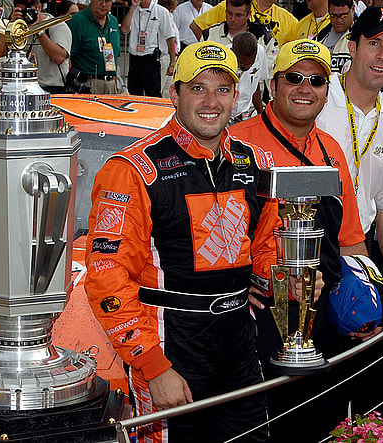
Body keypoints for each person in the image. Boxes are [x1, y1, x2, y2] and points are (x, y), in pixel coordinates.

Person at [85, 41, 281, 443]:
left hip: (240, 340)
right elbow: (107, 275)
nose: (211, 101)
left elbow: (265, 244)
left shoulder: (257, 161)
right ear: (174, 94)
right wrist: (153, 365)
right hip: (170, 343)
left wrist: (279, 278)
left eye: (222, 89)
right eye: (198, 88)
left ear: (236, 95)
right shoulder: (134, 169)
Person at [230, 38, 366, 441]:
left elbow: (351, 240)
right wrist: (246, 284)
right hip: (256, 317)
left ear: (328, 91)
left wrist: (363, 298)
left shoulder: (333, 151)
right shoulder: (236, 145)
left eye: (317, 80)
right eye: (294, 77)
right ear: (274, 85)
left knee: (320, 421)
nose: (305, 87)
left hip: (322, 317)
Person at [315, 6, 383, 415]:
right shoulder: (317, 99)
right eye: (373, 43)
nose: (382, 56)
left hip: (361, 256)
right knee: (313, 384)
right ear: (351, 47)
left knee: (363, 377)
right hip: (310, 256)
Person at [203, 0, 270, 119]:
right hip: (222, 114)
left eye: (238, 15)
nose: (247, 68)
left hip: (246, 115)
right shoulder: (222, 55)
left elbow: (255, 86)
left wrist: (261, 115)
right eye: (243, 64)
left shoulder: (260, 48)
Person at [0, 0, 73, 93]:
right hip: (23, 89)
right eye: (22, 12)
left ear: (39, 8)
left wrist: (38, 30)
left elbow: (59, 57)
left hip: (52, 89)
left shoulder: (56, 26)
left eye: (29, 11)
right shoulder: (17, 28)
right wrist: (10, 26)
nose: (26, 15)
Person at [121, 0, 177, 96]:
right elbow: (124, 29)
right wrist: (132, 8)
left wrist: (172, 63)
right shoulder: (134, 11)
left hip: (151, 59)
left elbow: (170, 38)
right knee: (134, 94)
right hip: (134, 59)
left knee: (153, 94)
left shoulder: (161, 11)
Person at [67, 0, 121, 93]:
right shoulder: (77, 21)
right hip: (87, 84)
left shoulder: (113, 22)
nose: (103, 4)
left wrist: (116, 85)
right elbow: (68, 57)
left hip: (110, 85)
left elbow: (114, 58)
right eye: (100, 0)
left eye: (107, 1)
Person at [324, 0, 357, 73]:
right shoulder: (320, 37)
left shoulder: (361, 36)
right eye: (334, 16)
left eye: (343, 15)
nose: (338, 20)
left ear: (353, 9)